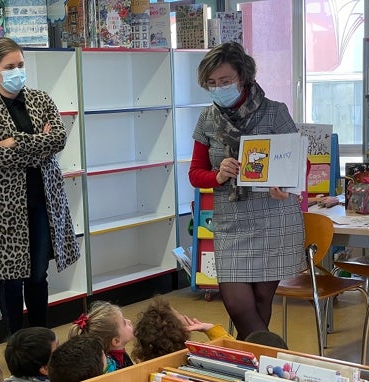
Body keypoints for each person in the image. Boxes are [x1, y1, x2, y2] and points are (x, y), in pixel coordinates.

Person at [188, 42, 305, 341]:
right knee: (238, 304)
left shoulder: (275, 112)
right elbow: (194, 174)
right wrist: (218, 175)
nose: (218, 89)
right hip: (232, 224)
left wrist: (286, 187)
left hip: (274, 218)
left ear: (243, 77)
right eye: (212, 84)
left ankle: (252, 368)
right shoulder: (207, 119)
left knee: (262, 303)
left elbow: (298, 163)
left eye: (225, 81)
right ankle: (270, 362)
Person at [0, 37, 80, 336]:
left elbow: (58, 139)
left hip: (43, 200)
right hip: (3, 206)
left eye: (20, 65)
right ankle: (15, 341)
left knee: (38, 275)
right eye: (9, 67)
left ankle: (41, 338)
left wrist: (16, 141)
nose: (17, 71)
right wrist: (37, 145)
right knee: (10, 277)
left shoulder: (41, 99)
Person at [131, 296, 234, 362]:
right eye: (180, 315)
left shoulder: (144, 363)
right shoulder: (197, 354)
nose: (184, 316)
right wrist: (210, 329)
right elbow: (235, 352)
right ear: (181, 331)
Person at [68, 300, 134, 372]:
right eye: (124, 323)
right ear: (116, 341)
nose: (129, 321)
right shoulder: (110, 369)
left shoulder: (120, 354)